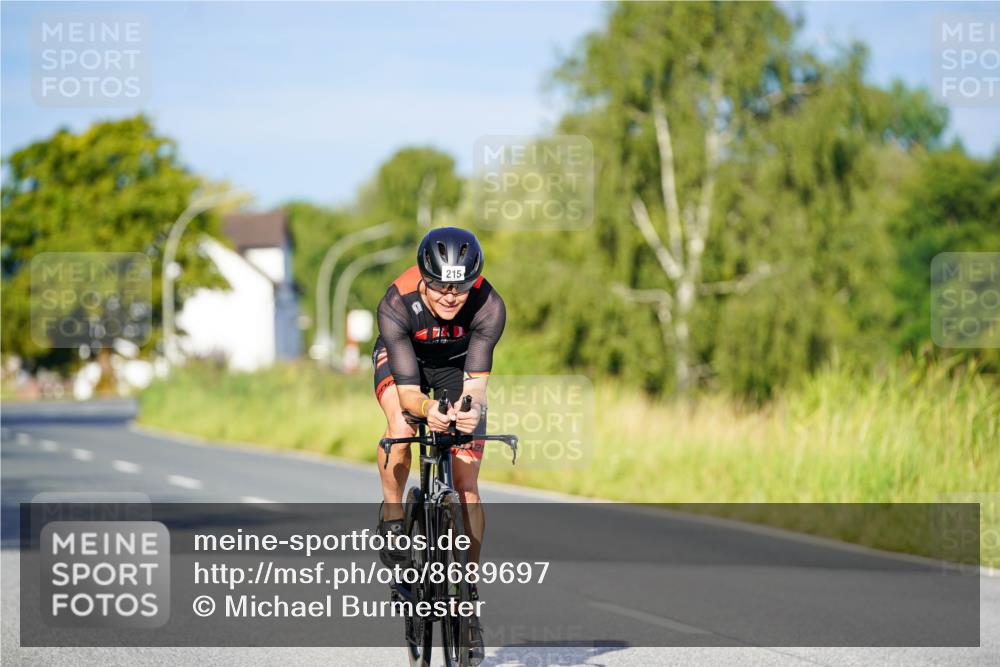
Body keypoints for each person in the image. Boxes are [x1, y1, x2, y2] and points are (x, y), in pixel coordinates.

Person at [373, 226, 505, 568]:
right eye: (440, 286)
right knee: (402, 428)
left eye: (460, 288)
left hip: (454, 367)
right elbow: (407, 394)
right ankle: (392, 514)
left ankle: (469, 590)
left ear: (473, 280)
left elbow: (475, 387)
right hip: (405, 362)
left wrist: (471, 410)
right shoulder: (396, 303)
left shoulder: (489, 306)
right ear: (423, 277)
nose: (450, 296)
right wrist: (427, 408)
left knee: (467, 485)